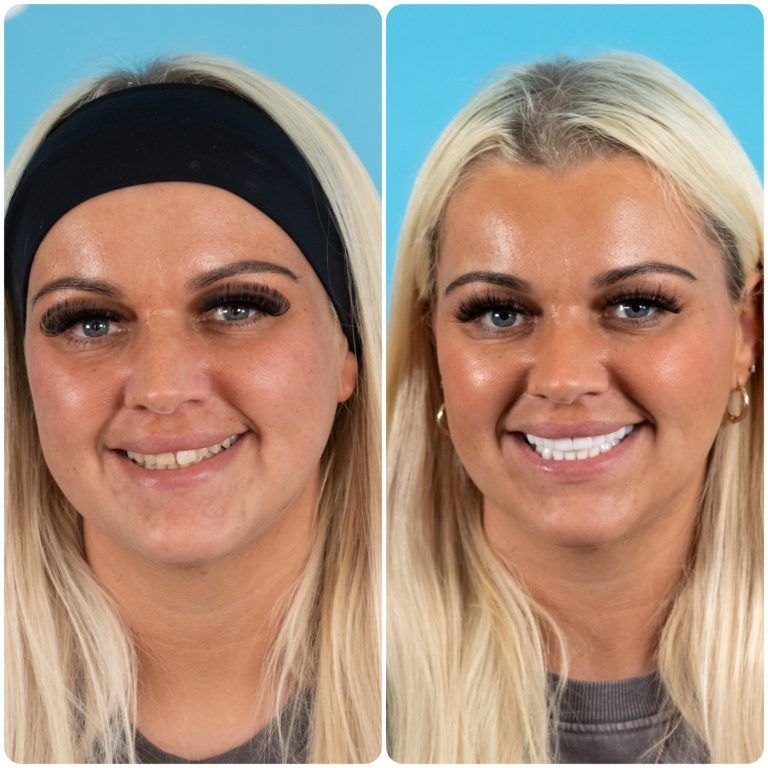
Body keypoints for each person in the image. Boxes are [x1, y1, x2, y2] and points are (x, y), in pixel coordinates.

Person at [5, 53, 380, 763]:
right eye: (89, 322)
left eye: (237, 306)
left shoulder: (455, 708)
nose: (162, 387)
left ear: (347, 353)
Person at [387, 52, 761, 763]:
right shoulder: (339, 703)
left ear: (748, 331)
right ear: (430, 346)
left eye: (637, 304)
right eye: (498, 312)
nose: (563, 378)